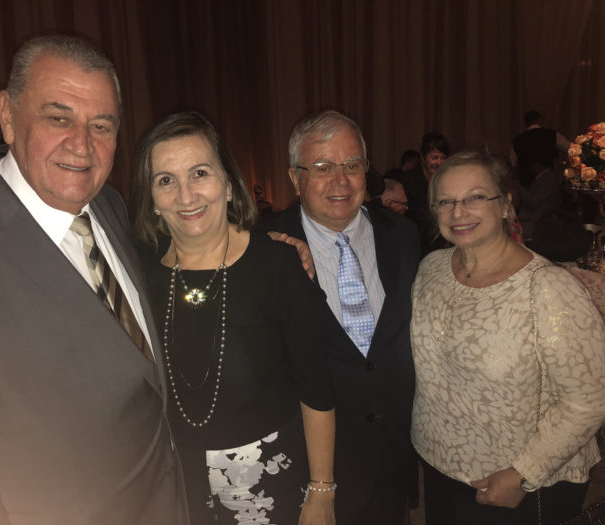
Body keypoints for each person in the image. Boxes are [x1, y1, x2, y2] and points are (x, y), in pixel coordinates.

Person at [0, 35, 187, 525]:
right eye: (58, 118)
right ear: (9, 116)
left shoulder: (109, 205)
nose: (82, 145)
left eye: (101, 125)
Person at [129, 111, 336, 525]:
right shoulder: (138, 270)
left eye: (200, 173)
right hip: (175, 480)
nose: (186, 196)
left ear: (227, 183)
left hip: (267, 478)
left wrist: (322, 491)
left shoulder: (277, 265)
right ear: (151, 198)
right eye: (166, 180)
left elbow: (318, 388)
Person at [411, 151, 605, 525]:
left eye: (476, 197)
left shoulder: (547, 289)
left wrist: (523, 473)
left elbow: (590, 398)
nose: (459, 211)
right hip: (438, 466)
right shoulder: (430, 269)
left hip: (518, 484)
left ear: (505, 205)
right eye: (446, 201)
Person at [259, 110, 420, 525]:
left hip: (392, 454)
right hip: (310, 464)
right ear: (295, 178)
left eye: (352, 165)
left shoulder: (403, 236)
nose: (340, 181)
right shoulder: (263, 250)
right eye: (322, 167)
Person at [390, 131, 449, 255]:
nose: (439, 162)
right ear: (423, 158)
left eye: (442, 158)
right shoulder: (407, 181)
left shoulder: (448, 180)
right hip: (414, 246)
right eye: (434, 158)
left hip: (441, 246)